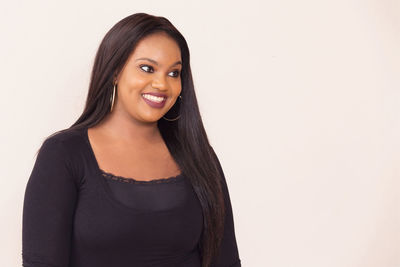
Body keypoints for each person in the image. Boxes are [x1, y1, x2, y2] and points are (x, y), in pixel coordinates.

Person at [22, 12, 241, 267]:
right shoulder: (64, 155)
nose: (161, 84)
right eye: (147, 68)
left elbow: (225, 261)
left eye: (174, 73)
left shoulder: (199, 156)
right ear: (115, 70)